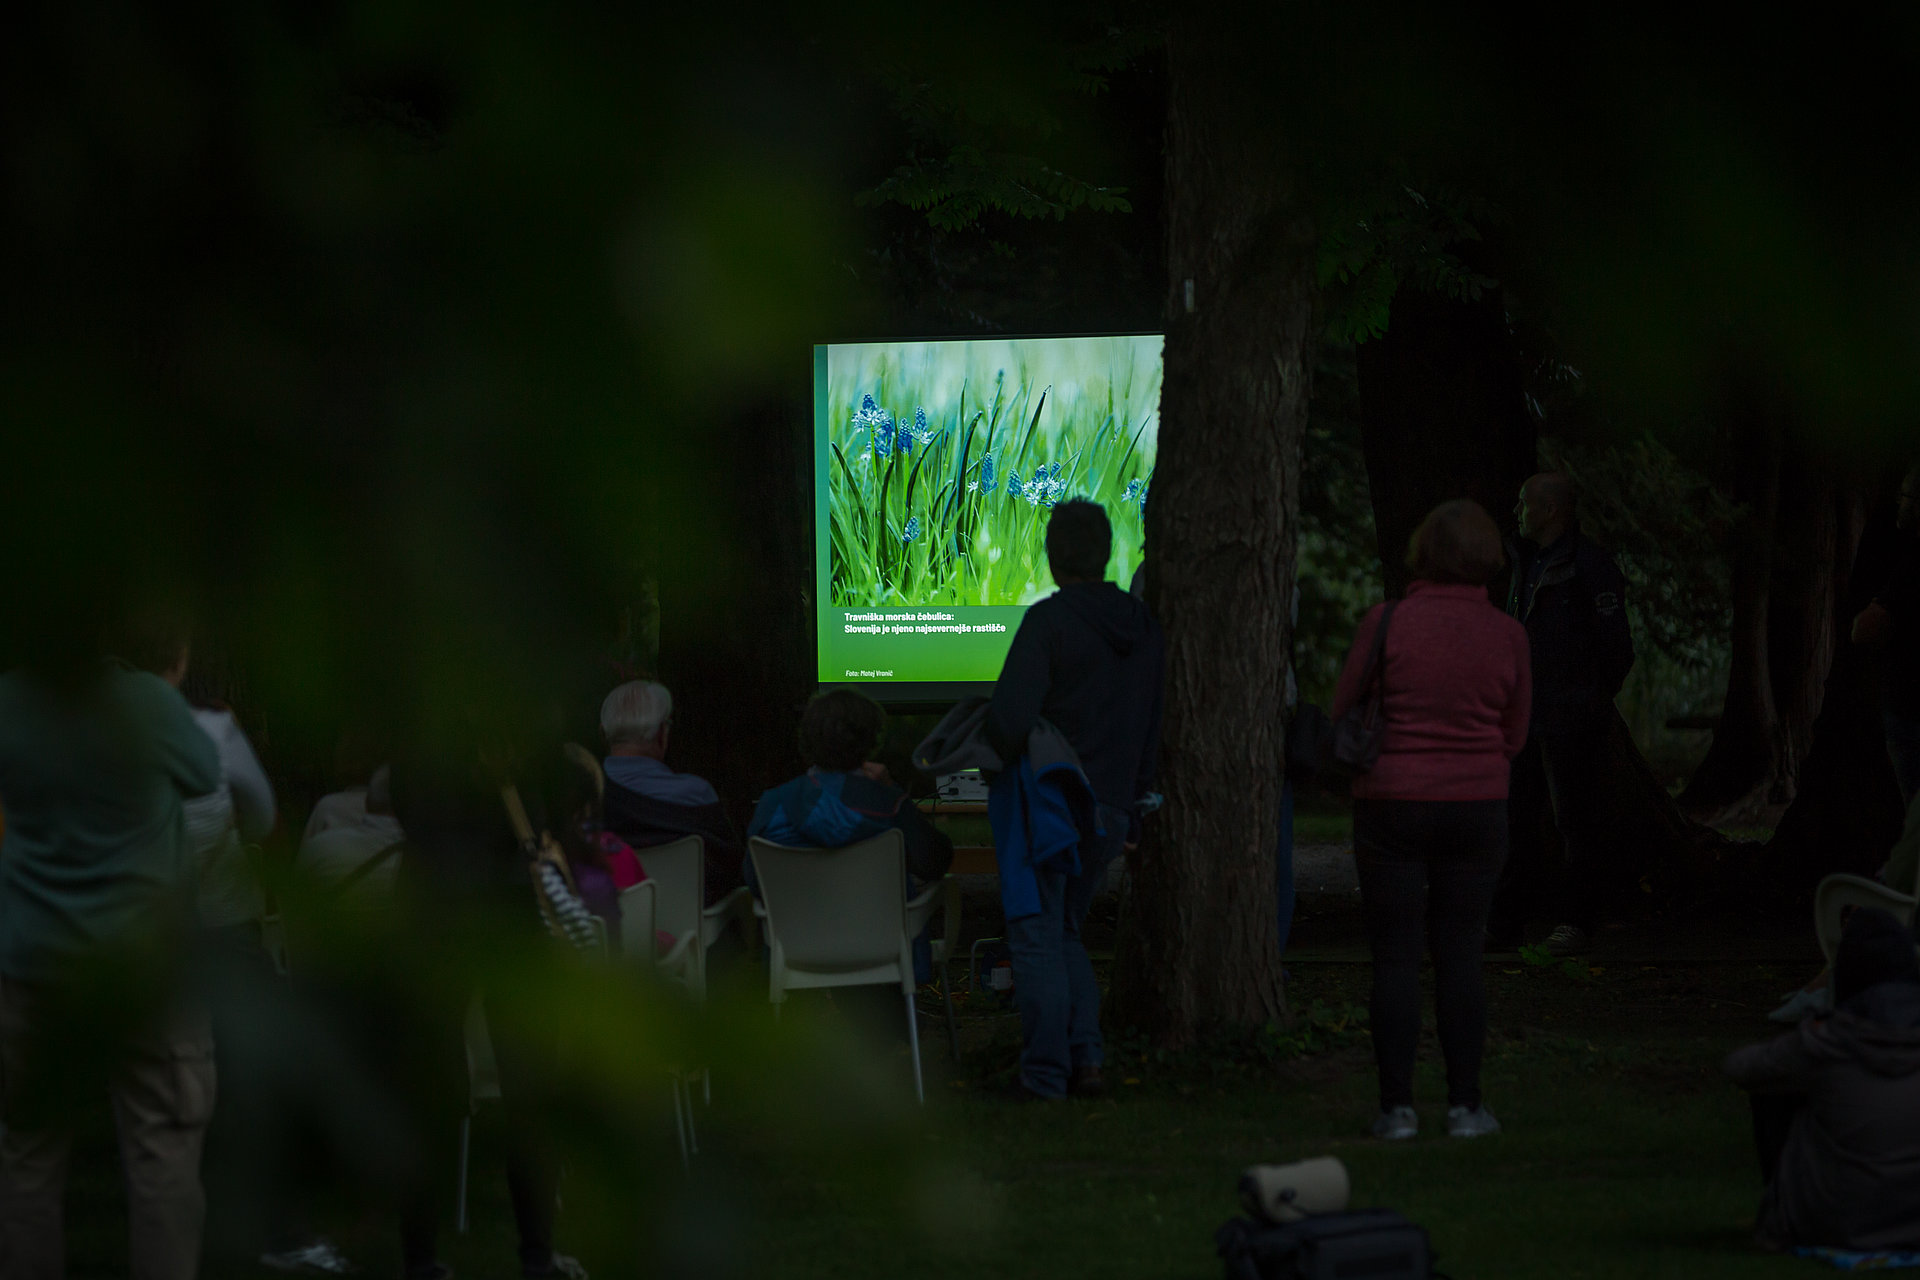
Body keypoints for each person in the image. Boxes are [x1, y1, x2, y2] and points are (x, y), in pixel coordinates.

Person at [0, 624, 223, 1280]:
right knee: (165, 1169)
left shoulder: (11, 698)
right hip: (146, 971)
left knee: (25, 1166)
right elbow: (204, 773)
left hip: (33, 967)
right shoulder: (147, 702)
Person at [1332, 500, 1530, 1141]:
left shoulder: (1386, 622)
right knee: (1461, 955)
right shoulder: (1508, 634)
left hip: (1391, 802)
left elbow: (1344, 708)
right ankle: (1467, 1106)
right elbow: (1516, 733)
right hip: (1477, 807)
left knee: (1393, 958)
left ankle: (1396, 1110)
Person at [986, 499, 1164, 1101]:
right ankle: (1087, 1058)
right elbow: (1153, 728)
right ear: (1108, 552)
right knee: (1066, 934)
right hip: (1111, 812)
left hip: (1050, 810)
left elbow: (1008, 723)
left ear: (1052, 555)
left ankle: (1044, 1075)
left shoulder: (1048, 623)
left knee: (1036, 938)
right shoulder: (1143, 626)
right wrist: (1135, 807)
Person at [1488, 470, 1635, 956]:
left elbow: (1617, 648)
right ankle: (1506, 925)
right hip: (1524, 717)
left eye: (1524, 502)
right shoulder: (1524, 561)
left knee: (1575, 821)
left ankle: (1575, 922)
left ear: (1550, 510)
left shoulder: (1589, 565)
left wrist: (1585, 701)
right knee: (1517, 819)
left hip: (1567, 718)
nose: (1517, 512)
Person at [1726, 906, 1920, 1253]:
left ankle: (1782, 1215)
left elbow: (1742, 1068)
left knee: (1776, 1089)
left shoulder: (1825, 1043)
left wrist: (1807, 1036)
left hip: (1830, 1222)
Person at [748, 689, 953, 887]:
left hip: (792, 922)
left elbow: (754, 880)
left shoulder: (773, 803)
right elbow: (935, 864)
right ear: (871, 741)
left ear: (806, 738)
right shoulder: (890, 805)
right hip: (881, 922)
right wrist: (893, 791)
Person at [597, 681, 744, 904]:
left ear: (603, 733)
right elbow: (731, 866)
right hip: (690, 921)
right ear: (661, 734)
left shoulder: (587, 794)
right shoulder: (697, 794)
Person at [1853, 464, 1920, 805]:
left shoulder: (1913, 566)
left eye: (1906, 497)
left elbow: (1864, 629)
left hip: (1910, 710)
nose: (1899, 503)